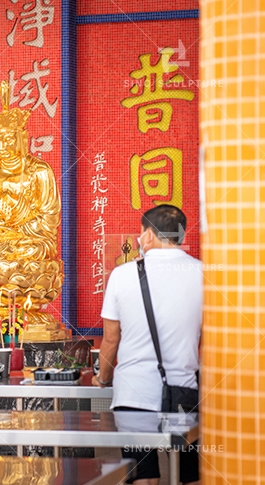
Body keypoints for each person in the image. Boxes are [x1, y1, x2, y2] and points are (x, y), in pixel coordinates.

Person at [92, 205, 202, 485]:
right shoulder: (203, 273)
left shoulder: (122, 274)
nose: (139, 239)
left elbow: (111, 339)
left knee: (144, 473)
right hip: (185, 392)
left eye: (141, 233)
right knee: (189, 473)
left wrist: (103, 379)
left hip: (134, 394)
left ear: (149, 235)